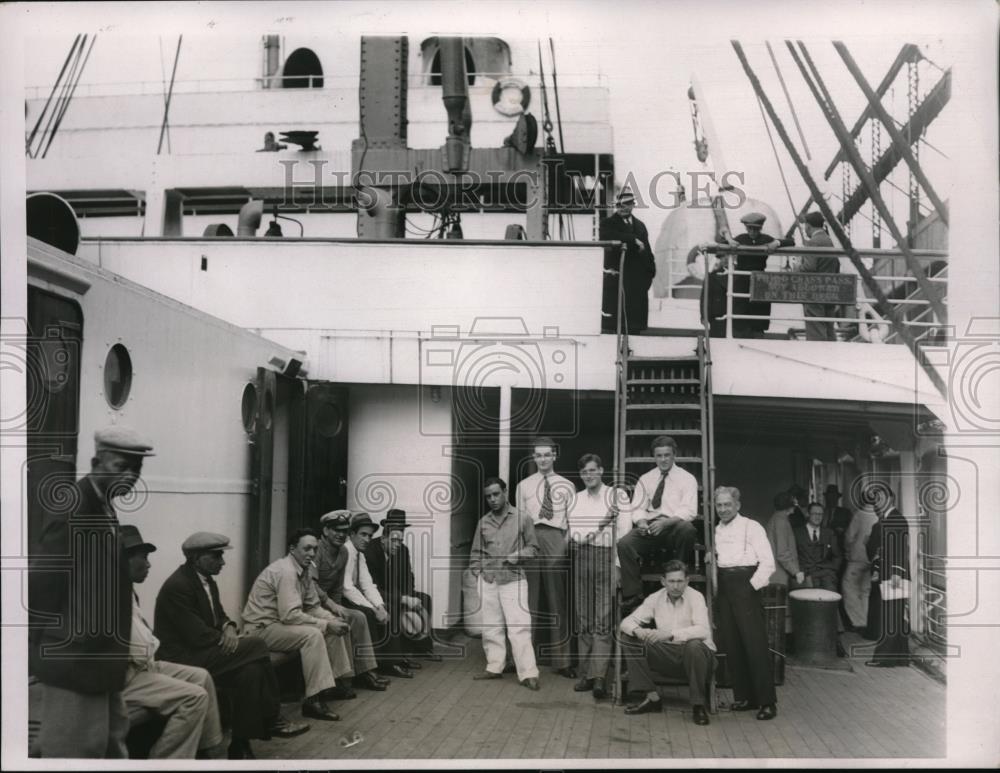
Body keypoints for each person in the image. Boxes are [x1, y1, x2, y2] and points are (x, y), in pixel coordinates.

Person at [29, 425, 154, 758]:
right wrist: (40, 647)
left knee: (110, 744)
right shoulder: (74, 508)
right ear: (96, 462)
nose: (130, 476)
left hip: (101, 661)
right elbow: (44, 585)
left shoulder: (103, 505)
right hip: (75, 660)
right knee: (74, 753)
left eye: (136, 469)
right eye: (121, 466)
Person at [154, 532, 310, 760]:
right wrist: (230, 639)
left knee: (252, 671)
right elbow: (196, 635)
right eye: (217, 556)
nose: (223, 562)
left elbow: (220, 616)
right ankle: (273, 718)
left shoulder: (206, 581)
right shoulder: (179, 585)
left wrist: (229, 626)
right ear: (197, 557)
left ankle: (240, 744)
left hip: (205, 652)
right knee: (257, 645)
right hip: (183, 658)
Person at [121, 525, 224, 759]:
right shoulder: (111, 593)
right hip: (123, 676)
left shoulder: (126, 589)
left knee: (202, 677)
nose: (148, 564)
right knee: (194, 696)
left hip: (142, 666)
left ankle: (205, 751)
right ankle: (167, 761)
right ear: (122, 559)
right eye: (143, 557)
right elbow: (143, 647)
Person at [241, 528, 355, 722]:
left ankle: (332, 684)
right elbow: (290, 615)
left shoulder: (304, 570)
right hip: (261, 630)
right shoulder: (286, 571)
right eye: (307, 549)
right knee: (313, 635)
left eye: (315, 549)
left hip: (280, 625)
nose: (311, 554)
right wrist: (325, 625)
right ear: (292, 549)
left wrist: (331, 620)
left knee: (332, 625)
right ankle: (313, 700)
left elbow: (312, 606)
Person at [620, 561, 715, 726]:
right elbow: (626, 622)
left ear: (687, 581)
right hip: (669, 656)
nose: (676, 586)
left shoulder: (696, 597)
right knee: (629, 638)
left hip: (698, 657)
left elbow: (703, 631)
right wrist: (638, 631)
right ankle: (652, 698)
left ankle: (698, 705)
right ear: (663, 581)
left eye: (679, 581)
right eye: (671, 581)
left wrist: (670, 635)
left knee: (694, 645)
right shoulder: (655, 598)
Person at [711, 486, 777, 720]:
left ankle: (767, 702)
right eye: (719, 505)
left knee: (755, 644)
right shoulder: (716, 531)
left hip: (746, 586)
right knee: (733, 645)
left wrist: (750, 589)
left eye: (727, 504)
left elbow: (768, 563)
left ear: (737, 505)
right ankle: (745, 698)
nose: (723, 509)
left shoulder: (752, 526)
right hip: (725, 588)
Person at [469, 477, 541, 690]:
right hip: (489, 580)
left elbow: (534, 548)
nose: (492, 499)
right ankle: (494, 667)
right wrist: (480, 572)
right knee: (491, 626)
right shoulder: (483, 522)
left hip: (513, 580)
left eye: (496, 494)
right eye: (488, 496)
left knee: (519, 627)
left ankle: (528, 673)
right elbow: (475, 554)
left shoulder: (522, 518)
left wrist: (518, 556)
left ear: (505, 492)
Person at [568, 454, 629, 699]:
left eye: (593, 470)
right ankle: (586, 675)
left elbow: (624, 534)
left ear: (601, 471)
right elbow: (577, 536)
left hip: (606, 557)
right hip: (582, 558)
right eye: (584, 472)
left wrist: (617, 566)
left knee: (603, 618)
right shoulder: (575, 499)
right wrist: (602, 523)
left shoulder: (618, 496)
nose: (589, 475)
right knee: (584, 618)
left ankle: (599, 678)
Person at [311, 510, 394, 689]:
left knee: (357, 616)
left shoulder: (344, 553)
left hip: (331, 603)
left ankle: (366, 671)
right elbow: (315, 586)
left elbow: (349, 586)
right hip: (314, 604)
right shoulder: (318, 551)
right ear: (325, 531)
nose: (341, 534)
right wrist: (334, 607)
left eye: (343, 531)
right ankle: (348, 678)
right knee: (360, 616)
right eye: (336, 530)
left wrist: (379, 606)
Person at [516, 437, 577, 678]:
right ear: (534, 457)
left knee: (557, 600)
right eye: (538, 455)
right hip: (531, 538)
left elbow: (573, 520)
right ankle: (524, 660)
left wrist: (564, 543)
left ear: (554, 456)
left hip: (555, 538)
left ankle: (562, 661)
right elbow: (519, 520)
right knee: (528, 601)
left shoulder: (567, 485)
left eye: (547, 454)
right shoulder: (524, 485)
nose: (543, 459)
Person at [618, 435, 699, 613]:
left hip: (674, 526)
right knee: (624, 544)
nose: (663, 459)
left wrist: (666, 523)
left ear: (674, 455)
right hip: (651, 528)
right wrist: (641, 522)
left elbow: (690, 511)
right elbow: (637, 507)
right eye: (659, 455)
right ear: (654, 457)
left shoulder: (687, 479)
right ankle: (634, 594)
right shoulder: (646, 478)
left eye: (667, 455)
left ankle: (677, 580)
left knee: (687, 529)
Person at [341, 512, 414, 679]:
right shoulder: (347, 551)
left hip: (354, 596)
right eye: (363, 534)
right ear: (351, 534)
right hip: (342, 599)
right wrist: (373, 609)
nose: (367, 539)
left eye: (369, 535)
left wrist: (379, 606)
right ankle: (368, 671)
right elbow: (347, 587)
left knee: (387, 609)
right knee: (367, 615)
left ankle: (387, 662)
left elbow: (367, 584)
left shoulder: (359, 553)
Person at [364, 509, 439, 664]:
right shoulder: (370, 551)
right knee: (394, 606)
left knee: (425, 599)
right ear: (384, 538)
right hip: (377, 596)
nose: (398, 544)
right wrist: (403, 599)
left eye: (400, 539)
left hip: (397, 592)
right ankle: (399, 657)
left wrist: (410, 596)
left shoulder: (402, 550)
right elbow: (372, 588)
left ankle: (422, 648)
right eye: (394, 540)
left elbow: (408, 577)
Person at [707, 212, 794, 338]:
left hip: (760, 278)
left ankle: (758, 333)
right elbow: (720, 244)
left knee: (759, 309)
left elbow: (791, 242)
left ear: (760, 228)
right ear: (746, 228)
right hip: (742, 279)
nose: (753, 232)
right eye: (750, 228)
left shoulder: (765, 239)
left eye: (756, 229)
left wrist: (776, 243)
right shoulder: (741, 238)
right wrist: (730, 240)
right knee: (740, 307)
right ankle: (740, 333)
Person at [599, 187, 657, 334]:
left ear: (633, 204)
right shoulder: (607, 224)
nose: (623, 208)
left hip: (638, 286)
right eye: (619, 205)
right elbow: (606, 235)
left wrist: (650, 273)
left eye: (626, 204)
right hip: (618, 285)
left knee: (635, 329)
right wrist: (632, 240)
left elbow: (648, 252)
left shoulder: (640, 226)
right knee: (615, 329)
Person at [865, 491, 911, 667]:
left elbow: (901, 548)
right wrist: (876, 569)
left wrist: (897, 573)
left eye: (881, 498)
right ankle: (901, 658)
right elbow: (881, 550)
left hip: (895, 575)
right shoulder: (886, 519)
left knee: (890, 617)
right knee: (896, 617)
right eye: (875, 499)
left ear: (891, 499)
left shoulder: (896, 518)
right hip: (889, 574)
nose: (877, 502)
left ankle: (883, 659)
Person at [798, 211, 840, 341]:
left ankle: (817, 355)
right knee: (829, 327)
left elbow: (809, 267)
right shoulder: (830, 241)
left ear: (809, 226)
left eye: (805, 225)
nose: (805, 229)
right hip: (830, 290)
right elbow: (837, 265)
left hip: (814, 291)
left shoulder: (812, 243)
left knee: (815, 328)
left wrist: (796, 267)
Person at [841, 500, 879, 633]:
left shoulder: (859, 515)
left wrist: (847, 551)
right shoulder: (878, 514)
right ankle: (866, 620)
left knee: (849, 589)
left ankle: (858, 621)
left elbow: (849, 537)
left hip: (857, 558)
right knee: (865, 591)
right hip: (872, 559)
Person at [792, 502, 842, 591]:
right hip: (805, 577)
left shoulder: (829, 533)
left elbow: (837, 555)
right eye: (814, 513)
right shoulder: (797, 533)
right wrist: (798, 572)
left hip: (827, 576)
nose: (818, 517)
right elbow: (792, 555)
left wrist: (833, 570)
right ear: (808, 514)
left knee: (830, 600)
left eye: (820, 514)